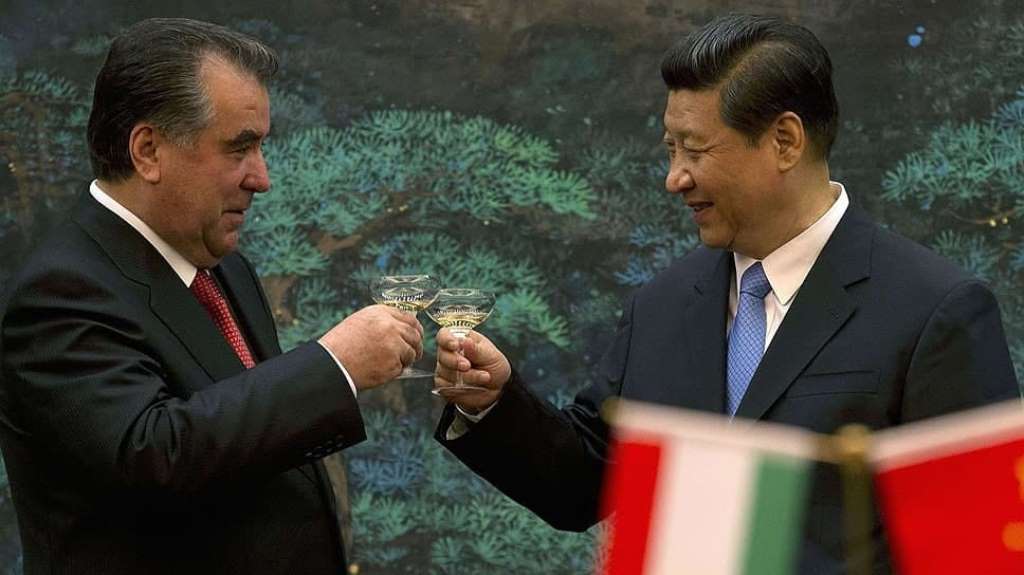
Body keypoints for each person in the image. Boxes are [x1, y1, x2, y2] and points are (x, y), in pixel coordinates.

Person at [432, 14, 1020, 575]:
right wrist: (491, 401)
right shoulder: (662, 305)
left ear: (785, 141)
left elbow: (980, 546)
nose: (675, 178)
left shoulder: (934, 310)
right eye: (670, 149)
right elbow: (584, 483)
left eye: (695, 150)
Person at [0, 18, 423, 575]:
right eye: (239, 148)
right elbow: (153, 455)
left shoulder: (224, 268)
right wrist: (334, 366)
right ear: (148, 151)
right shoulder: (60, 292)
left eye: (261, 147)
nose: (261, 178)